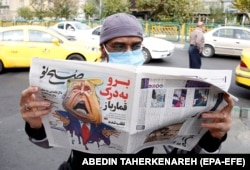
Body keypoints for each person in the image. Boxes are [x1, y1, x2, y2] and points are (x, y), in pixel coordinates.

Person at [19, 13, 234, 169]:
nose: (129, 52)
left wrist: (214, 137)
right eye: (119, 46)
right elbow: (49, 141)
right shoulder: (81, 85)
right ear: (103, 48)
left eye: (136, 45)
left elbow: (182, 152)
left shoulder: (156, 85)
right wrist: (35, 125)